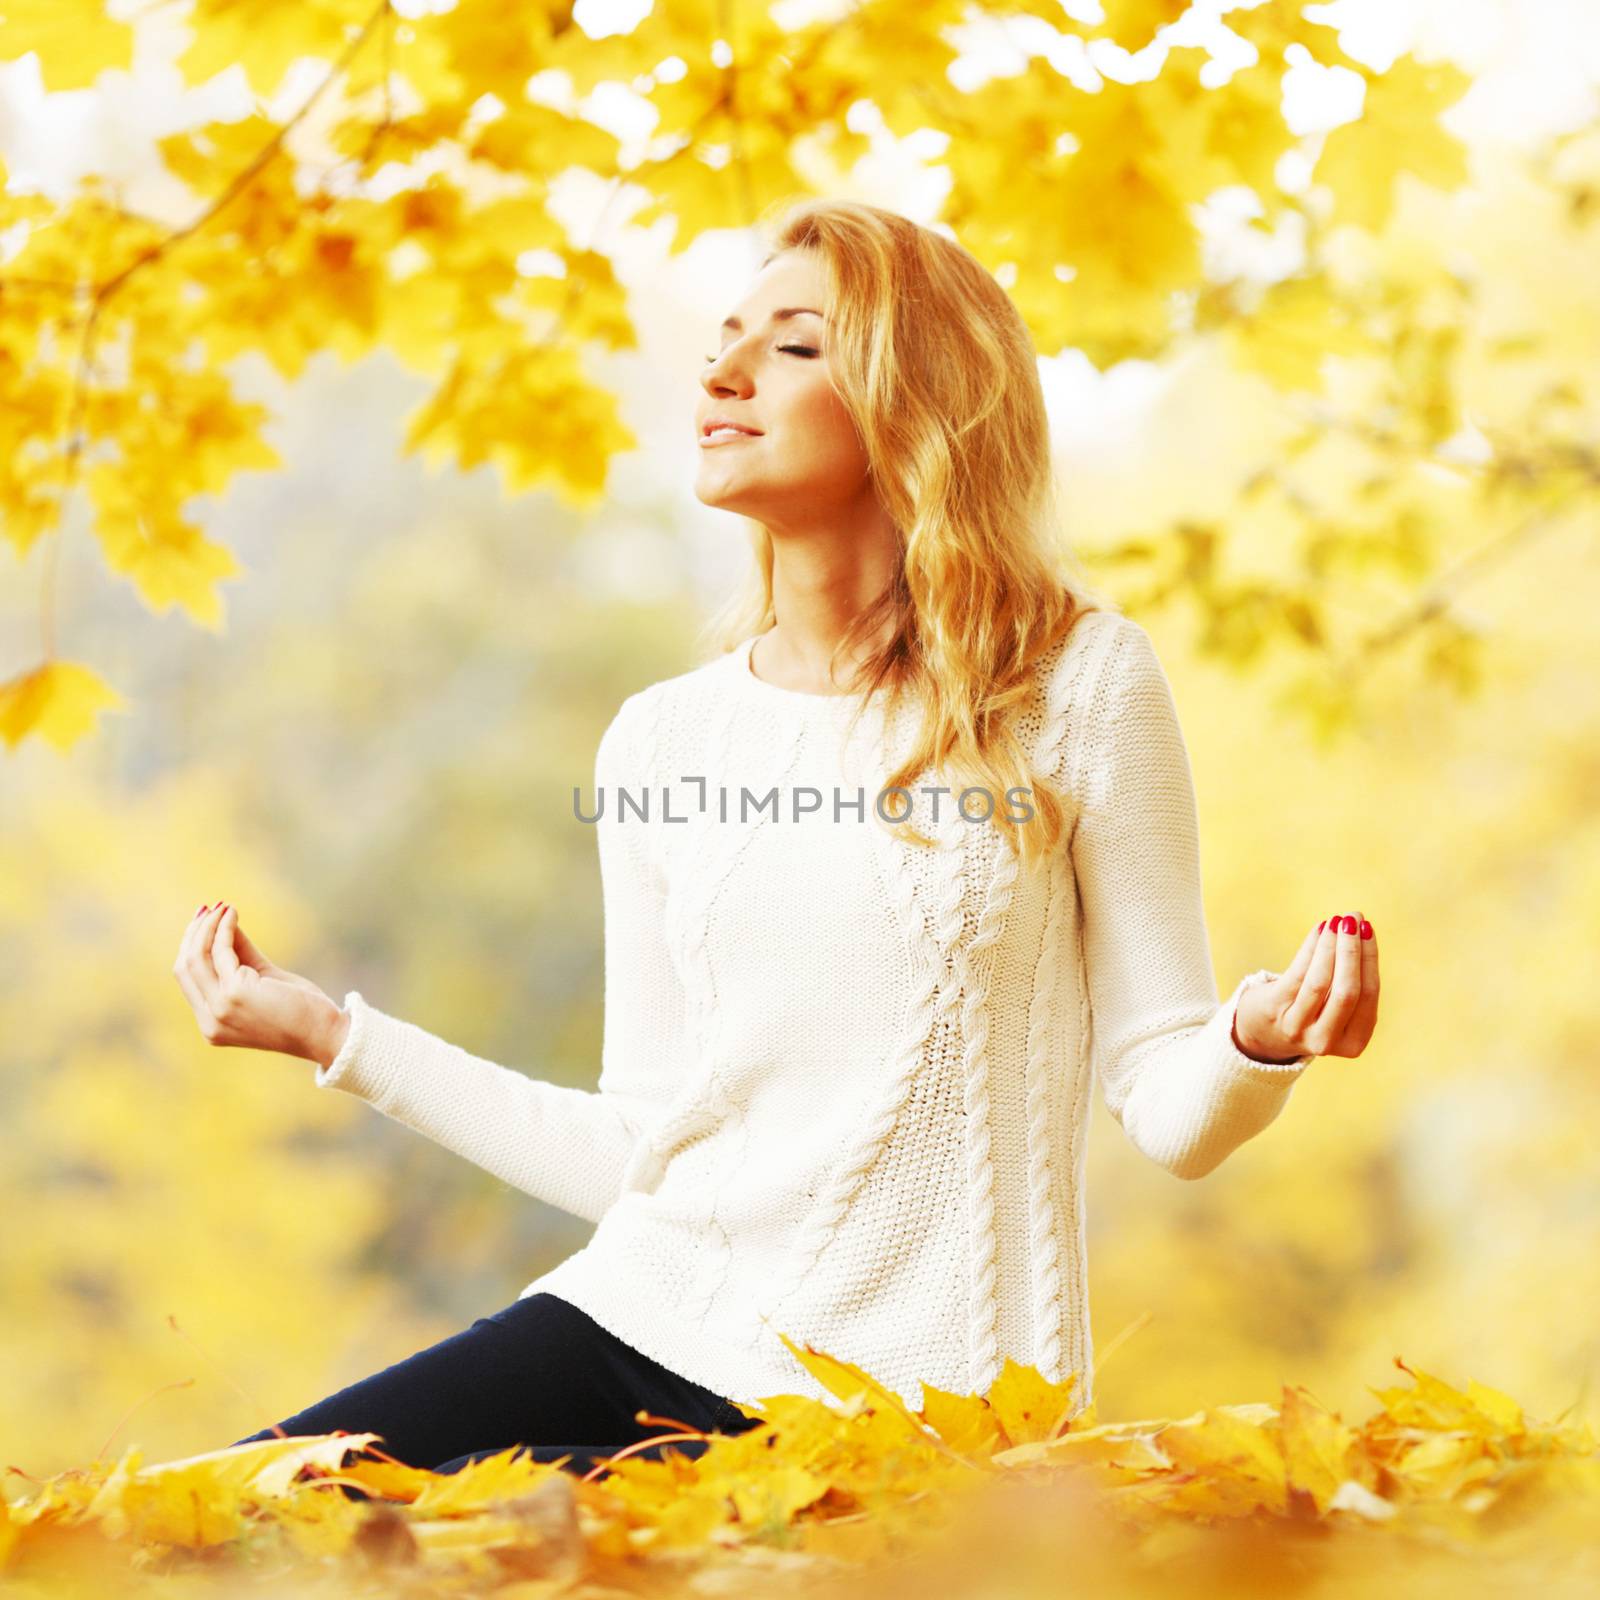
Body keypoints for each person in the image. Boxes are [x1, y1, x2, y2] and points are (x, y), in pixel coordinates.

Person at [174, 199, 1380, 1480]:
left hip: (913, 1422)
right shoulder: (662, 741)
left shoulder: (1077, 684)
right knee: (210, 1514)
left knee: (458, 1534)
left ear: (916, 403)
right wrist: (333, 1037)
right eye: (723, 340)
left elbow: (1167, 1102)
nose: (722, 373)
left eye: (794, 346)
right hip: (643, 1307)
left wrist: (1257, 1039)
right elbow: (641, 1147)